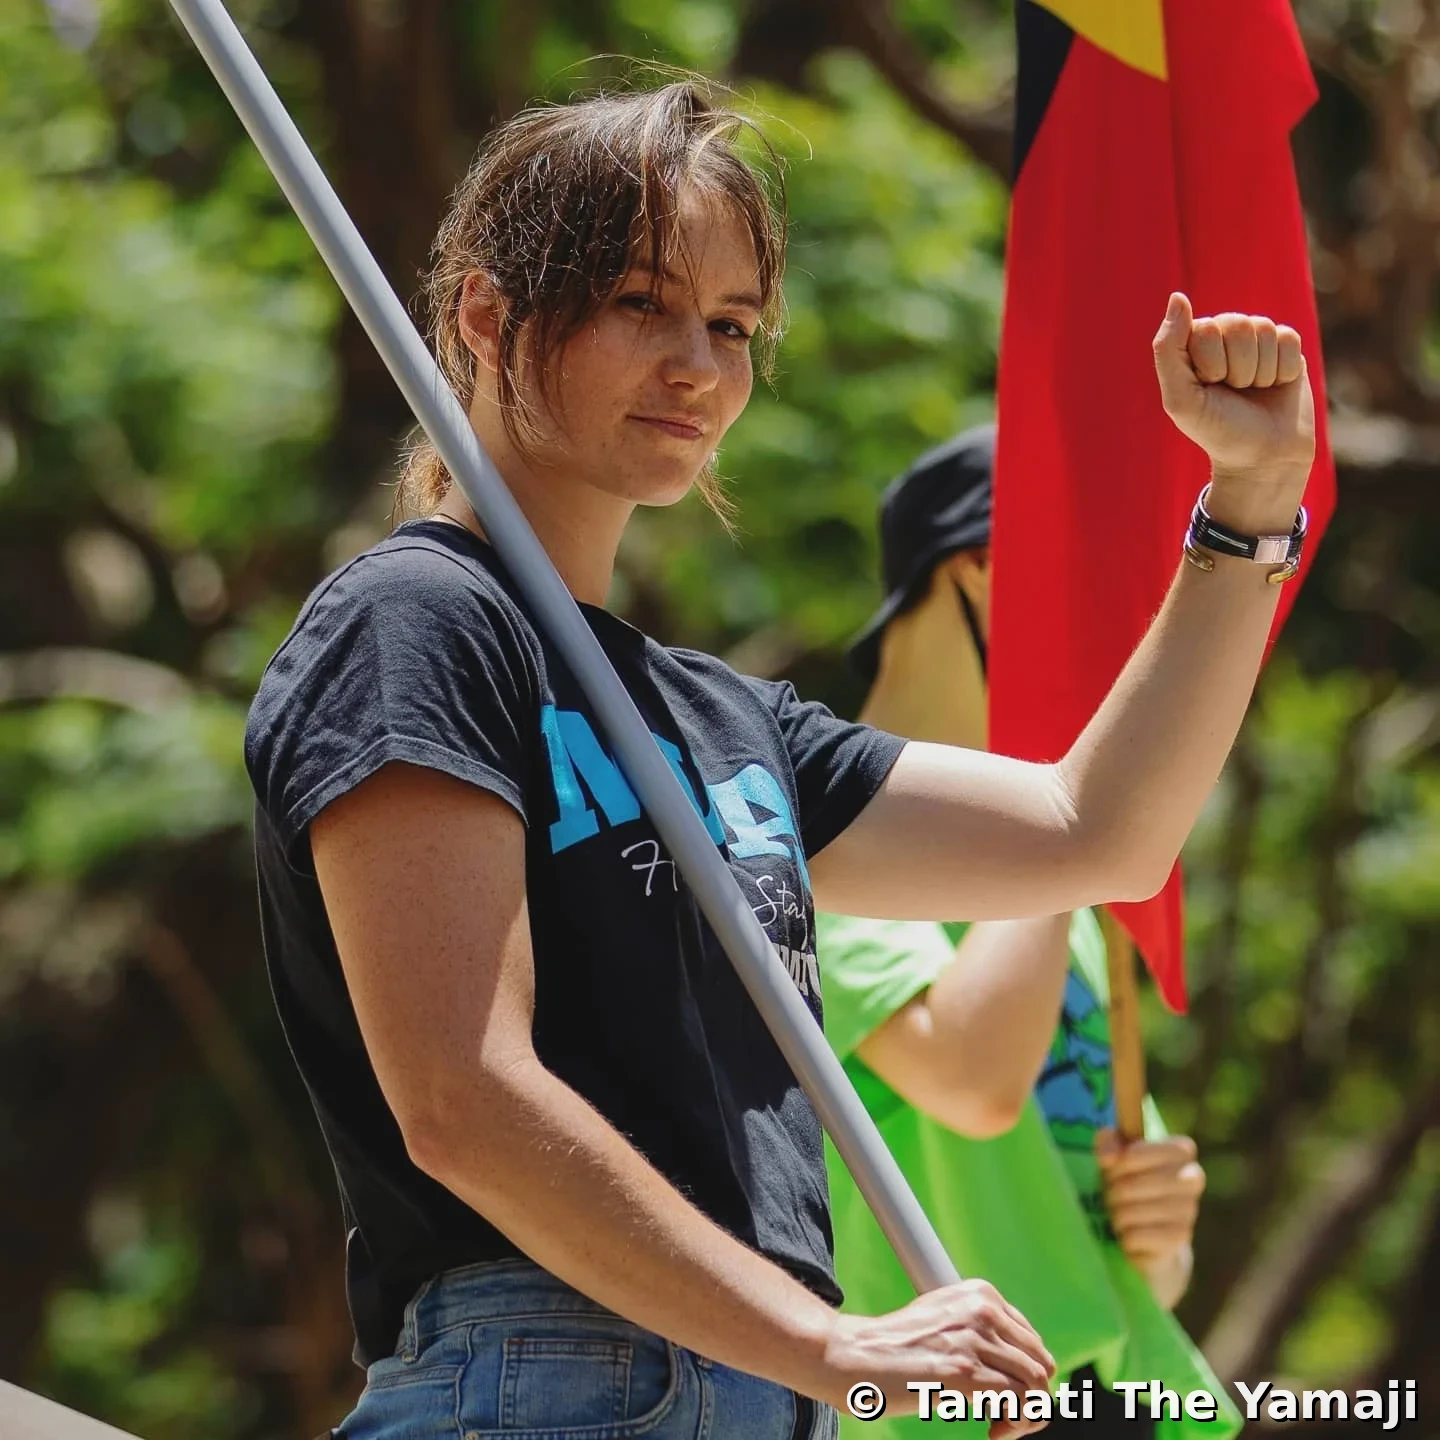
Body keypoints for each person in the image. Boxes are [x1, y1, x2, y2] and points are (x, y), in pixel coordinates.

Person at [242, 79, 1316, 1440]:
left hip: (764, 1395)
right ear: (481, 313)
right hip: (542, 1379)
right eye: (643, 302)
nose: (699, 361)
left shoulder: (731, 721)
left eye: (733, 324)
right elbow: (462, 1098)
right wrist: (836, 1342)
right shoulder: (419, 621)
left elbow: (1096, 831)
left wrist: (1248, 505)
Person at [818, 425, 1243, 1439]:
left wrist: (1162, 1233)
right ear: (983, 571)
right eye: (1088, 582)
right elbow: (972, 1077)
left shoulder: (1070, 889)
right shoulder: (818, 837)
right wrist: (1067, 830)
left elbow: (1100, 1207)